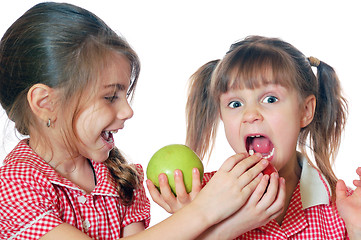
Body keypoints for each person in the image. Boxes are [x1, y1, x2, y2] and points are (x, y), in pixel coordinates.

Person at [0, 3, 286, 240]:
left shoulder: (118, 177)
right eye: (110, 97)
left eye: (125, 95)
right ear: (45, 104)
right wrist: (205, 209)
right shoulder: (13, 187)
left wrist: (234, 223)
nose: (127, 111)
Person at [150, 35, 361, 239]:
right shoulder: (199, 199)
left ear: (305, 111)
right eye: (235, 104)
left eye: (270, 99)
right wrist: (192, 221)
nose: (250, 114)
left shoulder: (344, 209)